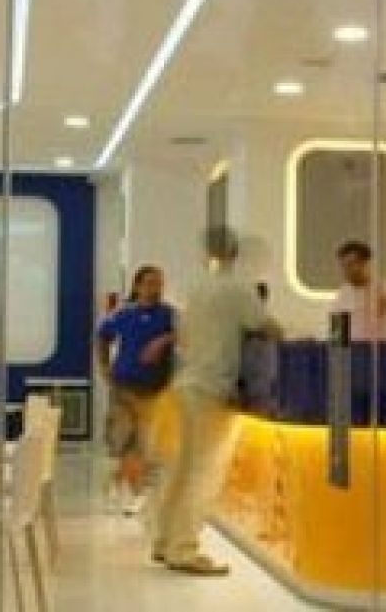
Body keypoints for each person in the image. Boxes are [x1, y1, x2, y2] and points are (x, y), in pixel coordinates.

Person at [149, 227, 275, 576]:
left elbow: (183, 336)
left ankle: (164, 541)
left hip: (186, 384)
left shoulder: (195, 288)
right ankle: (184, 549)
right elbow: (265, 325)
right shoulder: (239, 289)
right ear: (237, 252)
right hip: (212, 389)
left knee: (179, 470)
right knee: (203, 472)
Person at [96, 266, 175, 515]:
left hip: (154, 389)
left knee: (144, 442)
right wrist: (104, 367)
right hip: (123, 386)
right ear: (138, 286)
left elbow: (186, 335)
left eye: (159, 283)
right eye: (150, 283)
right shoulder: (124, 314)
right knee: (125, 440)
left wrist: (163, 341)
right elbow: (102, 336)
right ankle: (132, 488)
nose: (156, 289)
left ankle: (132, 487)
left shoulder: (170, 316)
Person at [331, 240, 386, 342]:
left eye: (350, 265)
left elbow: (382, 309)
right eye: (343, 266)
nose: (346, 271)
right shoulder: (342, 295)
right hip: (352, 350)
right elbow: (338, 337)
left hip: (377, 348)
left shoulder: (382, 288)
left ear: (364, 264)